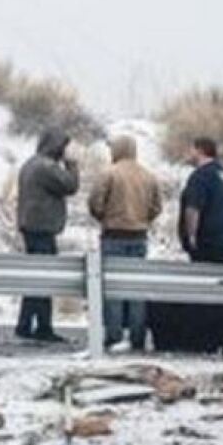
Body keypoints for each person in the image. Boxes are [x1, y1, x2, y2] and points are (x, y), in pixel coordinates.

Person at [88, 135, 162, 352]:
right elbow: (157, 206)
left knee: (113, 289)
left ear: (118, 150)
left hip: (113, 235)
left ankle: (114, 335)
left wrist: (104, 217)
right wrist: (144, 220)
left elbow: (95, 202)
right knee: (136, 288)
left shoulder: (109, 173)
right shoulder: (148, 176)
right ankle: (137, 337)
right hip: (139, 236)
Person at [14, 127, 79, 342]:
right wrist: (72, 165)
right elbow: (70, 185)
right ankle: (41, 326)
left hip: (31, 226)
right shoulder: (45, 167)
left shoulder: (31, 164)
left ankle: (28, 324)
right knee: (44, 279)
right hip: (42, 228)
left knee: (35, 278)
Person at [178, 137, 223, 263]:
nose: (189, 154)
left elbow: (193, 208)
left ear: (200, 151)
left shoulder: (200, 176)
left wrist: (191, 236)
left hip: (207, 243)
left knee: (203, 279)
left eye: (192, 150)